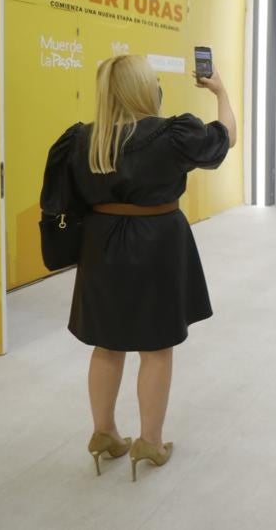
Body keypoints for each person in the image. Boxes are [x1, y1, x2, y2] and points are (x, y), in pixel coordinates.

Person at [41, 54, 236, 482]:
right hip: (157, 242)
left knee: (106, 345)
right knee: (155, 347)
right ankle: (150, 441)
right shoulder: (171, 135)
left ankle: (104, 434)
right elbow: (225, 140)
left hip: (100, 244)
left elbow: (62, 199)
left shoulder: (81, 140)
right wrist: (219, 90)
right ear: (147, 89)